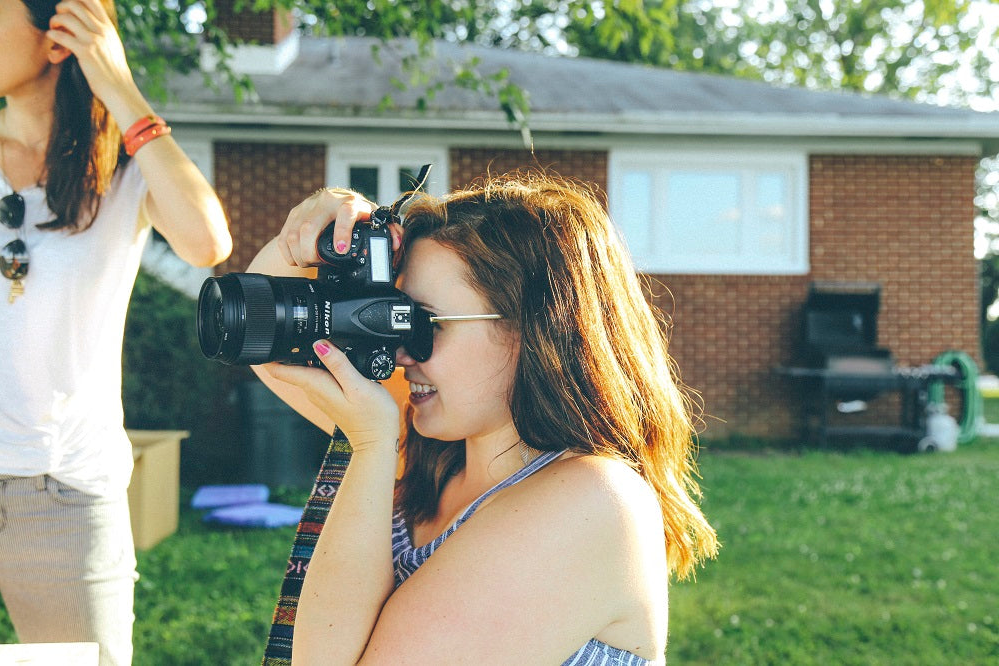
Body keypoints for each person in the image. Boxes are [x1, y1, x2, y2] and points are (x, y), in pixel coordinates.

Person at [249, 172, 717, 665]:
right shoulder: (434, 454)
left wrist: (369, 446)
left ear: (536, 330)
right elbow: (269, 342)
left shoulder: (592, 502)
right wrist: (322, 229)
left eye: (425, 323)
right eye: (396, 314)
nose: (402, 350)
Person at [0, 0, 231, 664]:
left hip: (62, 491)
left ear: (57, 41)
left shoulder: (124, 174)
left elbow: (206, 240)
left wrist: (119, 84)